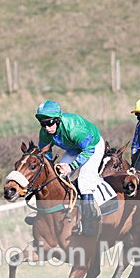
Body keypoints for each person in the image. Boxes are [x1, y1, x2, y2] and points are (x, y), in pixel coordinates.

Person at [36, 100, 112, 237]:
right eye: (43, 124)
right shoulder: (44, 132)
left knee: (84, 182)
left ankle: (89, 222)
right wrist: (52, 169)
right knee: (57, 179)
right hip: (73, 148)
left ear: (58, 120)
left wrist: (71, 167)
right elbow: (45, 153)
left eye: (49, 123)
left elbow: (88, 150)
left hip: (92, 146)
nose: (47, 128)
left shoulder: (73, 129)